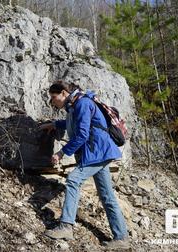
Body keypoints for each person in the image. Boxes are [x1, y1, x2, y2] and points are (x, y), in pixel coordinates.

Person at [39, 80, 129, 249]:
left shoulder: (82, 103)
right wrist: (54, 124)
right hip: (98, 153)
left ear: (64, 93)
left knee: (73, 179)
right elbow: (76, 123)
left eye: (53, 97)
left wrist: (61, 152)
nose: (52, 101)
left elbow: (81, 134)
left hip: (97, 152)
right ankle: (122, 237)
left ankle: (66, 226)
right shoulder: (75, 104)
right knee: (107, 196)